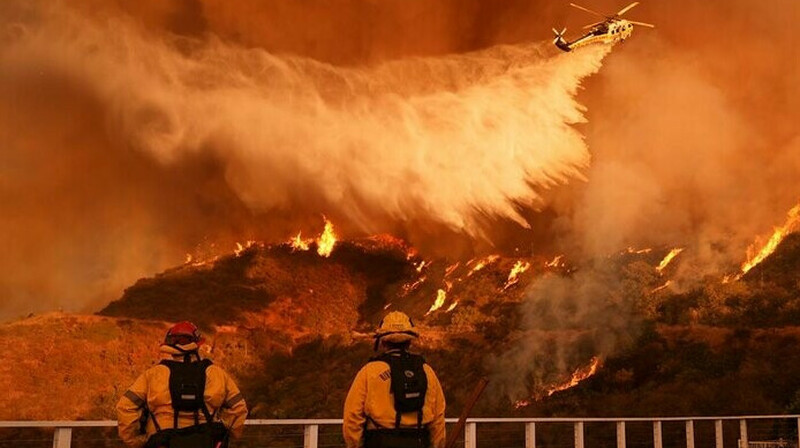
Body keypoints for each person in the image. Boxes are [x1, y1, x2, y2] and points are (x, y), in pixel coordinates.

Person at [116, 321, 248, 448]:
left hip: (162, 443)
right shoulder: (216, 374)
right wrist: (226, 434)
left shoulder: (153, 375)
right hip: (206, 443)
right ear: (197, 344)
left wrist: (137, 441)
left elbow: (125, 407)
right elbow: (238, 408)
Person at [343, 311, 446, 448]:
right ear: (409, 341)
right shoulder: (426, 371)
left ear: (383, 342)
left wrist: (355, 445)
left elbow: (352, 417)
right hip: (419, 442)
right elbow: (438, 418)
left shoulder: (370, 371)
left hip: (380, 441)